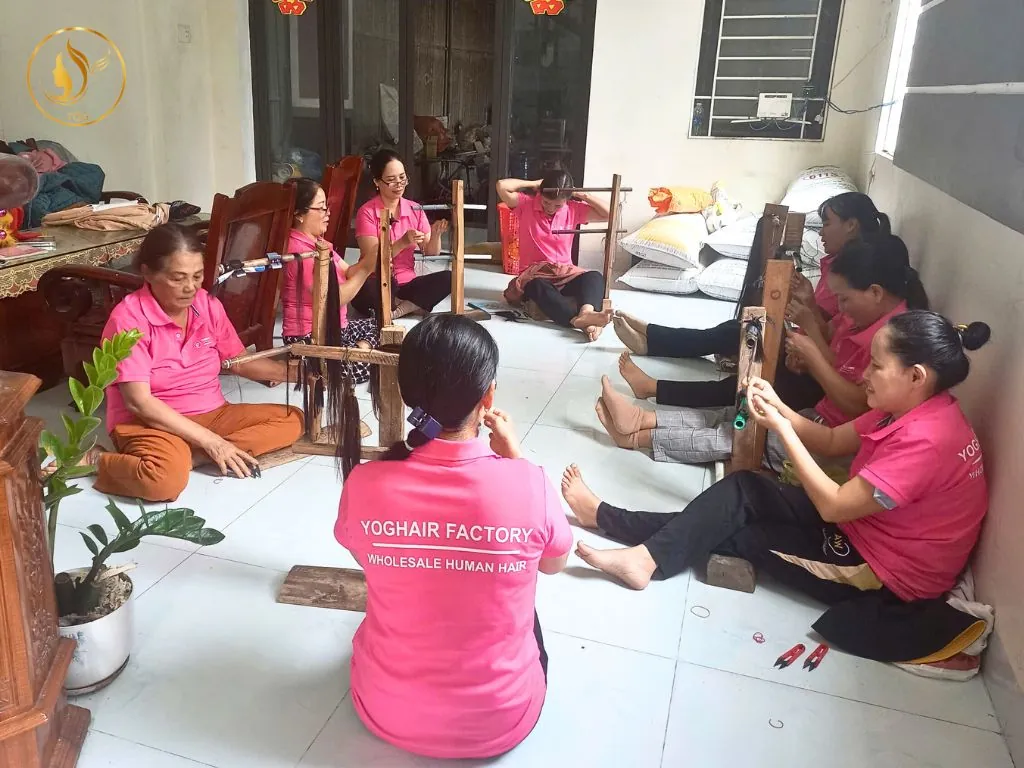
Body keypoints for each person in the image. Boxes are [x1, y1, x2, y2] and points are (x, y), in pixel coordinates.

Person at [560, 311, 990, 609]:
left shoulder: (927, 440)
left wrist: (781, 428)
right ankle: (629, 542)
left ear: (916, 376)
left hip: (881, 572)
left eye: (876, 366)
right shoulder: (909, 406)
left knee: (737, 530)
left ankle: (614, 527)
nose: (863, 375)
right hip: (866, 527)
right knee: (744, 489)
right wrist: (776, 404)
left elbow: (834, 505)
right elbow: (831, 440)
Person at [335, 314, 572, 760]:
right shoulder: (529, 484)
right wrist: (515, 459)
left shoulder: (364, 483)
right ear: (488, 397)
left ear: (408, 395)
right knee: (519, 589)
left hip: (384, 708)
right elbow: (553, 562)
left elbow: (365, 555)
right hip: (500, 720)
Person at [596, 234, 928, 466]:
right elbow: (840, 365)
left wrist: (813, 354)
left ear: (874, 292)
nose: (840, 307)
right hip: (821, 418)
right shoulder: (870, 320)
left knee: (740, 435)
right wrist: (809, 349)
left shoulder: (893, 339)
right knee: (738, 414)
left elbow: (857, 402)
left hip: (832, 432)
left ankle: (635, 438)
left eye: (845, 299)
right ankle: (642, 418)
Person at [614, 192, 892, 410]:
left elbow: (834, 343)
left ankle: (653, 380)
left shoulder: (860, 279)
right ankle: (652, 338)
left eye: (828, 223)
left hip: (815, 365)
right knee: (739, 329)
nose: (821, 232)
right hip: (809, 351)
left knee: (749, 368)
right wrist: (808, 310)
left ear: (851, 225)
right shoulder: (841, 267)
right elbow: (832, 329)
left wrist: (808, 327)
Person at [90, 223, 304, 502]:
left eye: (197, 276)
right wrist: (213, 441)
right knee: (163, 483)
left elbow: (238, 361)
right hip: (149, 422)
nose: (190, 287)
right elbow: (138, 403)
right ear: (147, 273)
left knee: (294, 420)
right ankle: (97, 460)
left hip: (212, 413)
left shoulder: (206, 304)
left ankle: (192, 456)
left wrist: (297, 373)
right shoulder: (128, 319)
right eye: (178, 278)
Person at [281, 177, 379, 383]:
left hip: (335, 328)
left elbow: (349, 272)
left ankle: (359, 349)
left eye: (327, 208)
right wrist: (367, 268)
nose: (328, 214)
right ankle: (359, 352)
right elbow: (333, 300)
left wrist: (374, 255)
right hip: (309, 337)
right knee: (365, 368)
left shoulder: (319, 242)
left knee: (382, 327)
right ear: (299, 214)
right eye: (321, 209)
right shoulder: (299, 252)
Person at [497, 169, 613, 341]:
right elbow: (501, 186)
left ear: (567, 200)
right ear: (540, 195)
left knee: (594, 277)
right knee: (537, 287)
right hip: (537, 276)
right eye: (546, 202)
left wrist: (582, 195)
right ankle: (581, 322)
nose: (550, 208)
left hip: (565, 274)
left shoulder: (573, 209)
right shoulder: (525, 204)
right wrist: (534, 184)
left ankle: (586, 313)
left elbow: (610, 214)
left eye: (558, 205)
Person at [351, 149, 451, 319]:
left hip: (406, 283)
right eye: (391, 180)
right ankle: (412, 305)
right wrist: (402, 242)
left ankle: (397, 309)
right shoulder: (366, 212)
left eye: (402, 178)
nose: (399, 184)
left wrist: (435, 235)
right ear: (377, 182)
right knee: (361, 290)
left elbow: (431, 252)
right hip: (375, 280)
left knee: (449, 278)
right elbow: (372, 259)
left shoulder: (415, 209)